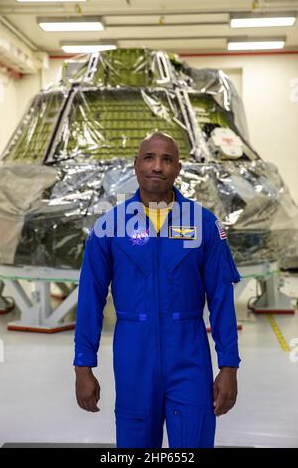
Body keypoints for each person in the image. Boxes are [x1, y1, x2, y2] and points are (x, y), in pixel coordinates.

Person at [73, 132, 241, 448]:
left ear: (177, 168)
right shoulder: (110, 226)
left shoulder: (202, 224)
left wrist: (228, 365)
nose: (157, 167)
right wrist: (84, 365)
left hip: (189, 354)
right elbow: (90, 299)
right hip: (133, 356)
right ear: (136, 165)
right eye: (149, 157)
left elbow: (221, 299)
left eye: (166, 160)